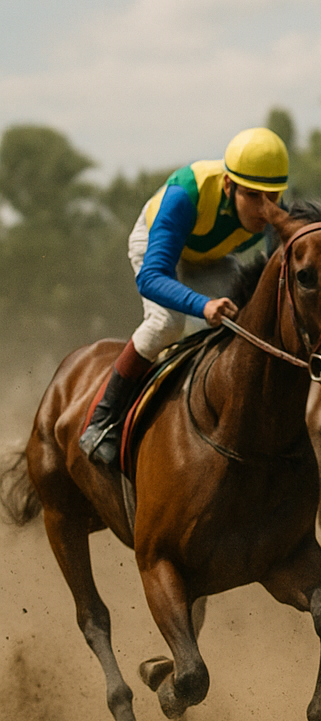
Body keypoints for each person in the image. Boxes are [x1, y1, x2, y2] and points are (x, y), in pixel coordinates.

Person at [79, 127, 289, 467]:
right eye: (252, 195)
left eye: (272, 197)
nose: (264, 210)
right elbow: (151, 278)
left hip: (211, 257)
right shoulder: (184, 196)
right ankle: (103, 420)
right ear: (227, 185)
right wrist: (202, 305)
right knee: (167, 323)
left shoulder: (273, 211)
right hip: (158, 249)